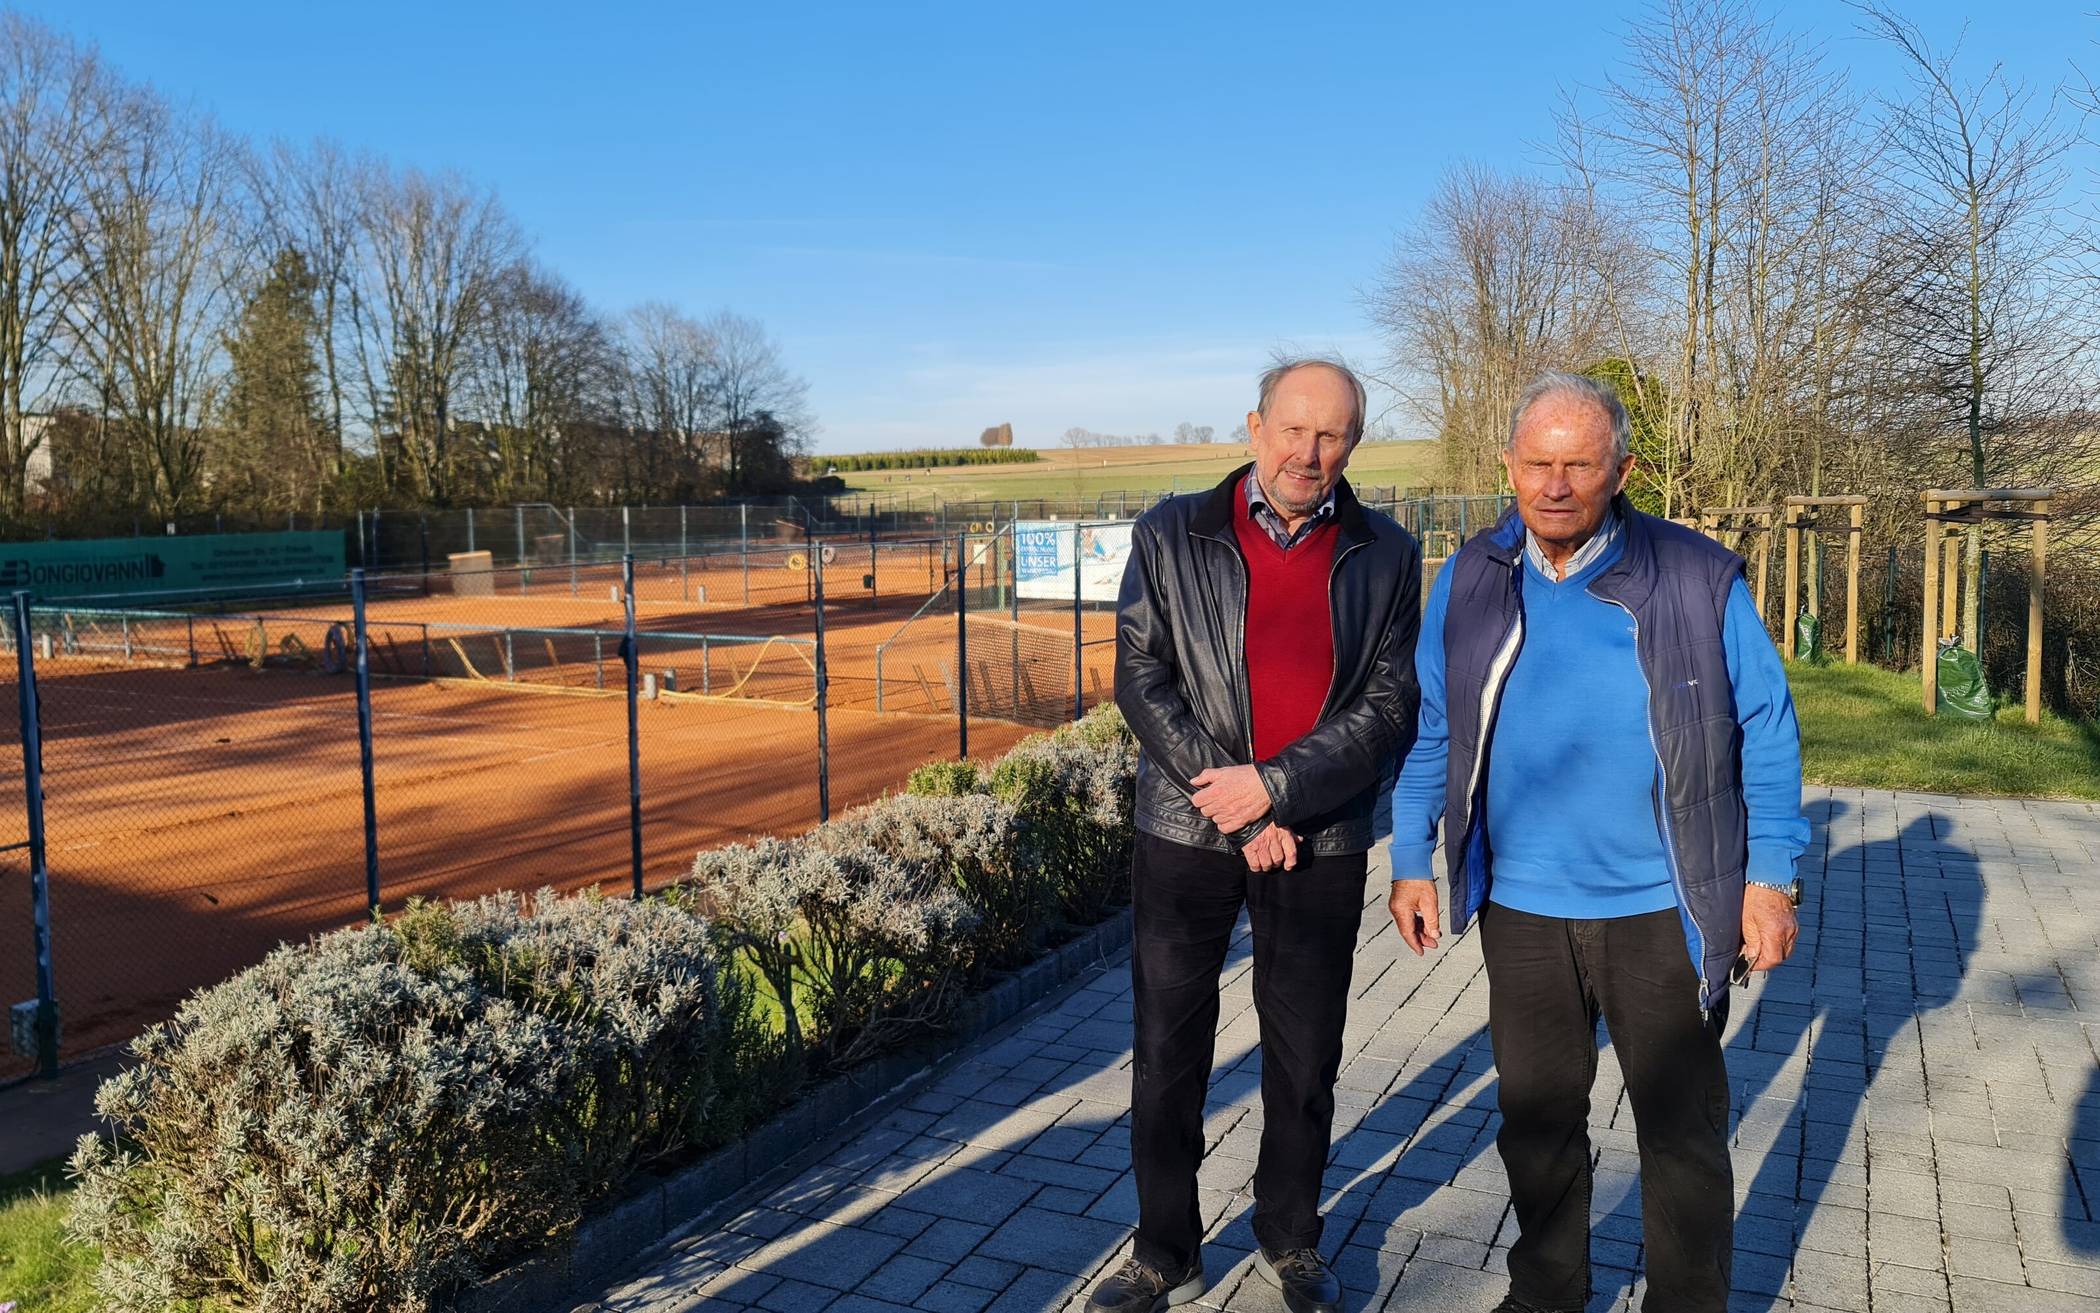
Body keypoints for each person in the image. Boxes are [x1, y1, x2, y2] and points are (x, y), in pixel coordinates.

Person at [1387, 371, 1809, 1313]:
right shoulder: (1467, 580)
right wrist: (1411, 856)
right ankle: (1547, 1290)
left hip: (1662, 906)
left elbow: (1768, 725)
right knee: (1535, 1123)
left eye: (1581, 462)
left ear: (1622, 469)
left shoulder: (1697, 576)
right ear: (1508, 465)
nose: (1556, 483)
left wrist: (1771, 876)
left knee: (1680, 1134)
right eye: (1537, 462)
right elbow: (1436, 731)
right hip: (1522, 910)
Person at [1091, 357, 1422, 1313]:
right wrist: (1236, 808)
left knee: (1306, 1051)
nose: (1306, 453)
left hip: (1318, 836)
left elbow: (1391, 706)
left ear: (1352, 444)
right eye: (1291, 429)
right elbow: (1141, 680)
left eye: (1330, 436)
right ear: (1252, 426)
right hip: (1184, 833)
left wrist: (1276, 792)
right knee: (1167, 1052)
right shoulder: (1170, 533)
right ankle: (1166, 1250)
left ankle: (1291, 1236)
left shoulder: (1389, 554)